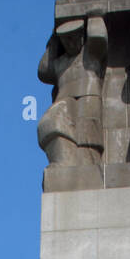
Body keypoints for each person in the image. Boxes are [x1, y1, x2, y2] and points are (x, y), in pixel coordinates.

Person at [37, 15, 108, 167]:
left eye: (74, 37)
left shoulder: (90, 54)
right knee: (51, 121)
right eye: (66, 39)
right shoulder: (60, 63)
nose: (70, 42)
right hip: (65, 100)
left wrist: (95, 16)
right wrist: (54, 40)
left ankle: (90, 170)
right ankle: (63, 161)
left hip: (88, 97)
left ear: (82, 36)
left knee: (88, 137)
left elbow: (99, 37)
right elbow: (43, 70)